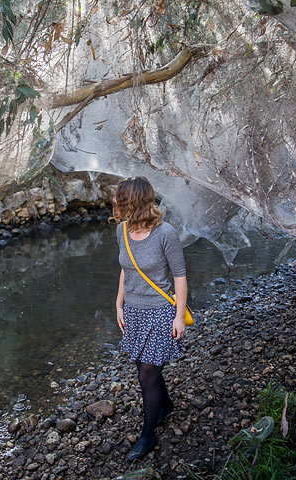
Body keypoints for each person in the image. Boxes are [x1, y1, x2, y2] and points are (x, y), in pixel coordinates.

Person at [113, 176, 188, 461]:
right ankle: (165, 406)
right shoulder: (121, 231)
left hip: (159, 312)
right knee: (145, 369)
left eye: (120, 197)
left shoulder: (165, 233)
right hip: (132, 312)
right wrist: (118, 303)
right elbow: (126, 268)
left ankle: (147, 436)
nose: (115, 202)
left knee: (147, 375)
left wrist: (178, 317)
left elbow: (180, 277)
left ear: (133, 201)